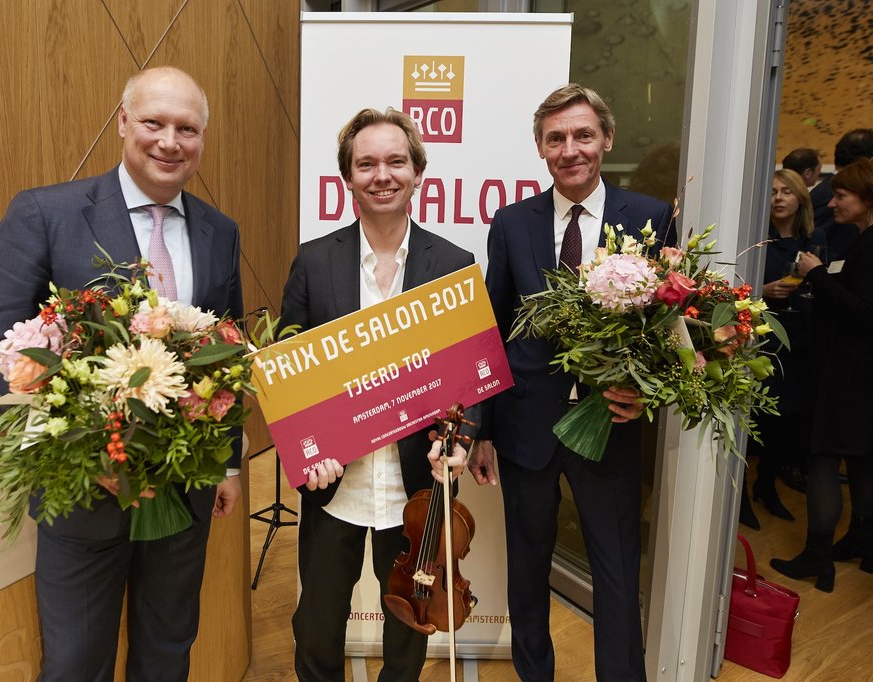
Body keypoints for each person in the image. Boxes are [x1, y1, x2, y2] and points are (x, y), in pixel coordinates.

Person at [0, 67, 244, 681]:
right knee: (76, 663)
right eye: (153, 123)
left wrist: (227, 463)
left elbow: (227, 355)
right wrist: (85, 450)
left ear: (202, 138)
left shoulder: (219, 231)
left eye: (187, 129)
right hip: (84, 493)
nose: (169, 141)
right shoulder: (45, 213)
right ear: (122, 122)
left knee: (168, 650)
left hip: (184, 490)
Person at [467, 83, 674, 681]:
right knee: (527, 570)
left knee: (617, 572)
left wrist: (645, 392)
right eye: (555, 138)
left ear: (606, 139)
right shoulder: (512, 223)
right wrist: (482, 428)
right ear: (540, 148)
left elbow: (669, 328)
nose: (570, 149)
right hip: (526, 427)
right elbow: (493, 328)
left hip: (610, 424)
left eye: (583, 135)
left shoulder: (650, 217)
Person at [280, 107, 478, 682]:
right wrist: (305, 447)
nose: (382, 175)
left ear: (418, 172)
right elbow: (288, 373)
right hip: (333, 485)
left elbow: (468, 381)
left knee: (410, 627)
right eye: (366, 164)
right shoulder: (314, 262)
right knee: (317, 625)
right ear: (348, 177)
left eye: (396, 161)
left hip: (418, 485)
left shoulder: (454, 264)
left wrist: (463, 442)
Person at [771, 158, 873, 593]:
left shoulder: (869, 245)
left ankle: (818, 557)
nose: (832, 203)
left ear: (866, 198)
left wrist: (815, 274)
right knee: (863, 459)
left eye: (842, 196)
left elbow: (862, 312)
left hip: (849, 372)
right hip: (862, 373)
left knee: (824, 458)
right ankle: (862, 543)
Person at [742, 169, 827, 528]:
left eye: (786, 192)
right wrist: (763, 290)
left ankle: (766, 485)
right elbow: (737, 287)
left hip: (800, 338)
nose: (778, 198)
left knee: (786, 420)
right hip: (762, 339)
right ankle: (739, 498)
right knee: (752, 419)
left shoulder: (814, 239)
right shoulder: (757, 238)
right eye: (773, 191)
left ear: (800, 198)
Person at [811, 129, 873, 262]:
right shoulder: (828, 193)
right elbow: (815, 242)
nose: (832, 203)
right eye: (839, 195)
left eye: (840, 196)